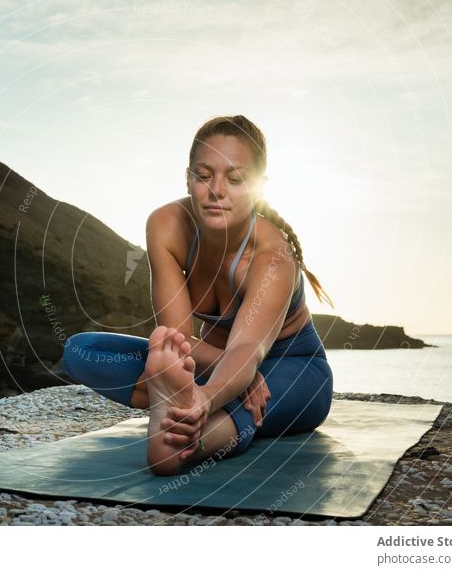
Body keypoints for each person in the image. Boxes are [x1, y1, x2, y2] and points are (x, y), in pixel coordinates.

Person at [62, 115, 334, 476]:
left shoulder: (272, 257)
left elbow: (244, 351)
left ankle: (185, 439)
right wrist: (227, 375)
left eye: (235, 179)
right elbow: (176, 341)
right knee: (80, 352)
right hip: (212, 367)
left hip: (292, 369)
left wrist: (208, 396)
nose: (216, 190)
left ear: (258, 187)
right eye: (204, 175)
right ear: (188, 178)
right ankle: (184, 398)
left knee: (245, 401)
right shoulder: (166, 225)